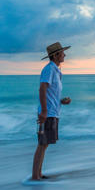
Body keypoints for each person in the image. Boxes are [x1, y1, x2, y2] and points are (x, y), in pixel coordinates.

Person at [31, 41, 72, 181]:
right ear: (55, 55)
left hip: (53, 111)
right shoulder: (49, 69)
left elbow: (50, 93)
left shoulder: (56, 70)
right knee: (42, 144)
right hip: (47, 113)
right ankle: (35, 176)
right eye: (62, 53)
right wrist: (43, 111)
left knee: (45, 144)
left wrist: (61, 101)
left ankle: (38, 174)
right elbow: (42, 89)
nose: (65, 55)